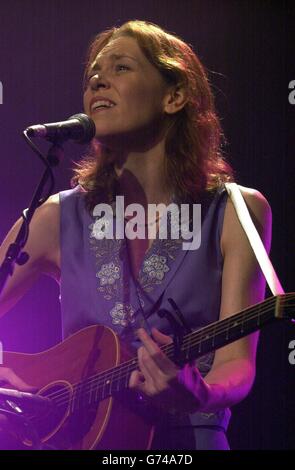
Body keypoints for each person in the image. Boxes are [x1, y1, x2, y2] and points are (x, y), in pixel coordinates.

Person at [0, 20, 272, 450]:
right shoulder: (57, 216)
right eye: (92, 75)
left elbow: (237, 365)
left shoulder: (237, 210)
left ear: (174, 96)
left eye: (121, 68)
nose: (97, 81)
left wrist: (197, 395)